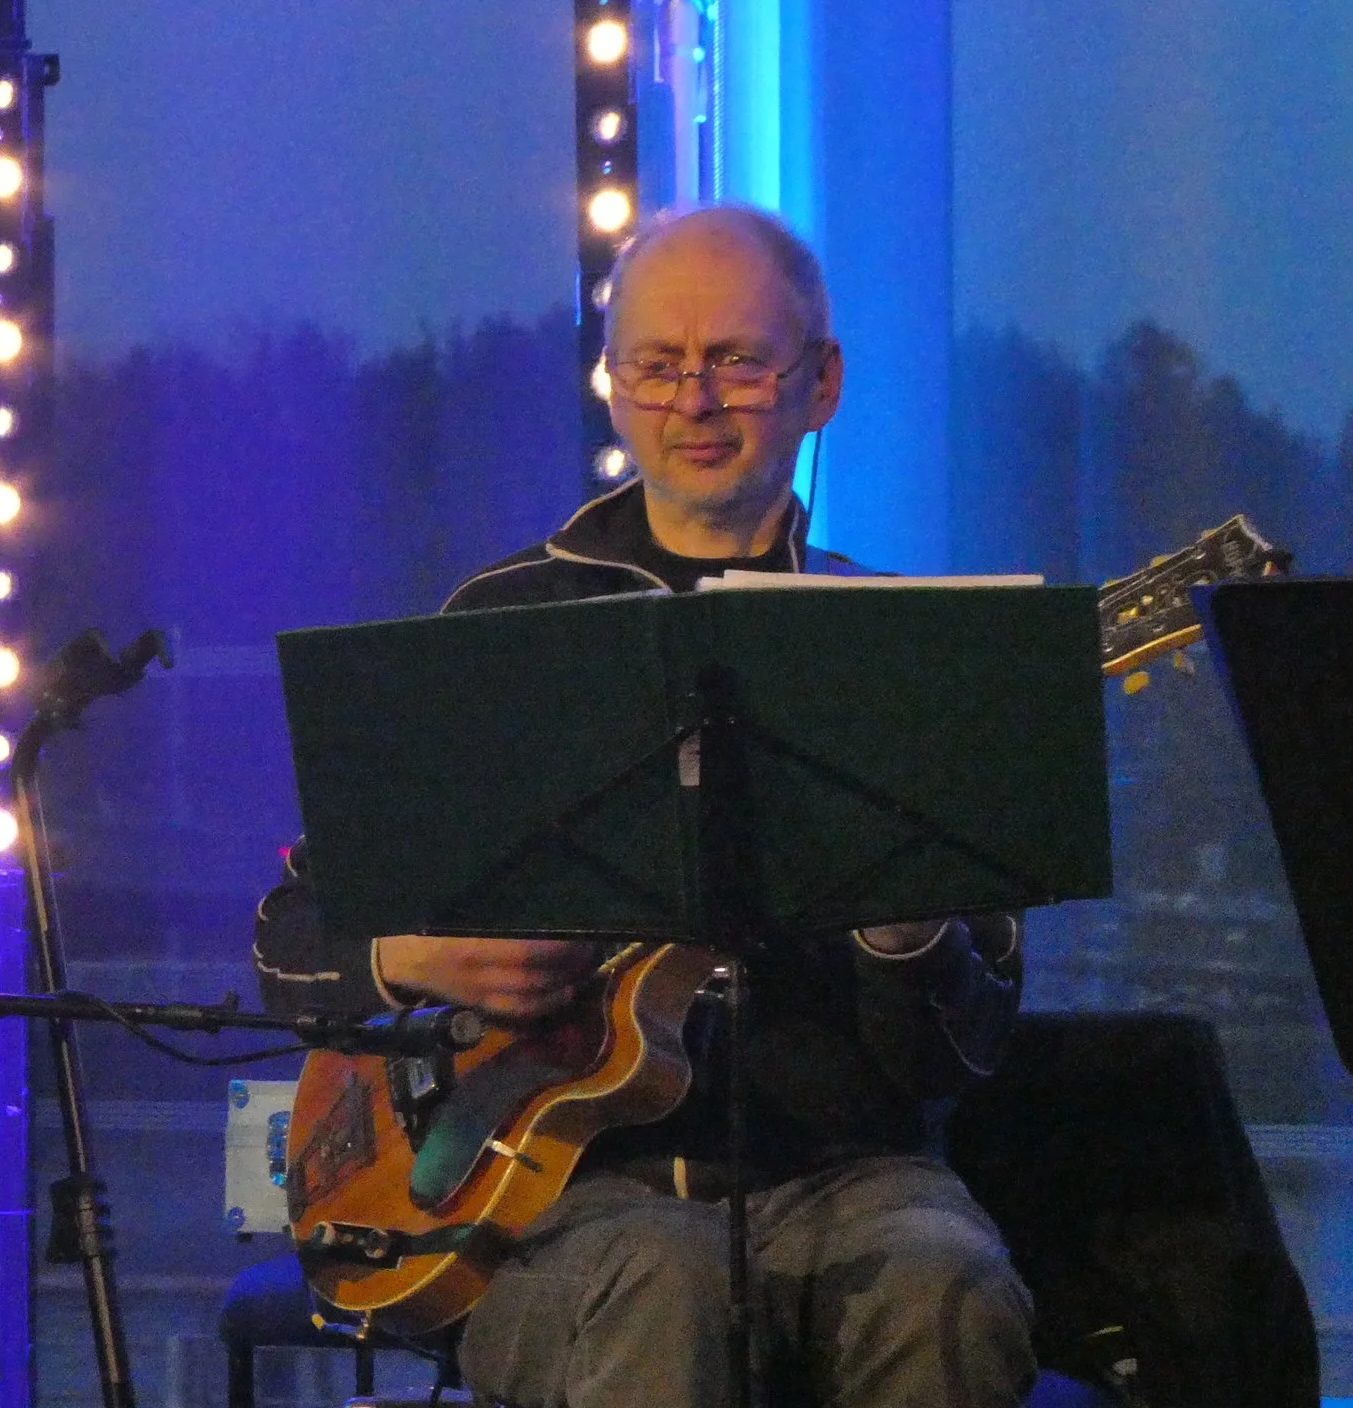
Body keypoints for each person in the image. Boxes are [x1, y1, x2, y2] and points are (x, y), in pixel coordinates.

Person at [253, 206, 1035, 1408]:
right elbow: (287, 943)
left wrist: (906, 926)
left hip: (848, 1178)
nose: (695, 400)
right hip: (551, 1202)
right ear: (610, 388)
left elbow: (961, 1058)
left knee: (948, 1278)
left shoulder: (897, 658)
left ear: (819, 383)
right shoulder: (497, 627)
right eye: (657, 365)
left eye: (736, 360)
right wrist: (415, 958)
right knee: (658, 1280)